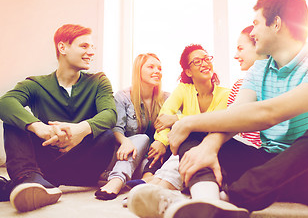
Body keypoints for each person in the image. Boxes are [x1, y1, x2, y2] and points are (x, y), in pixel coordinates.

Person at [126, 0, 308, 218]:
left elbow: (271, 113)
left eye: (255, 23)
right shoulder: (258, 70)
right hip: (270, 167)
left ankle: (231, 199)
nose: (253, 31)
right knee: (195, 133)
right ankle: (207, 203)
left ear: (276, 23)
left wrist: (187, 120)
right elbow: (236, 115)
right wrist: (208, 143)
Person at [0, 24, 117, 212]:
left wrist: (80, 130)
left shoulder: (98, 81)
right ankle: (30, 179)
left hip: (80, 167)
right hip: (44, 157)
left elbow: (110, 114)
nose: (91, 52)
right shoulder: (36, 84)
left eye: (92, 47)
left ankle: (27, 182)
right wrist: (39, 127)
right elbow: (4, 102)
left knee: (107, 135)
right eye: (84, 46)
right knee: (13, 120)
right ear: (62, 48)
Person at [127, 44, 230, 192]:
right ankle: (150, 177)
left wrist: (178, 119)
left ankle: (159, 183)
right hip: (184, 143)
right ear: (188, 71)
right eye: (197, 61)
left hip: (209, 145)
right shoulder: (183, 89)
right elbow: (163, 117)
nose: (205, 63)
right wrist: (161, 142)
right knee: (171, 139)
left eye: (206, 59)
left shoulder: (225, 94)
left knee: (186, 135)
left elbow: (215, 123)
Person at [94, 53, 170, 200]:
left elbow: (176, 126)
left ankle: (144, 180)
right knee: (142, 138)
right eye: (151, 67)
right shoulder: (123, 97)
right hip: (124, 155)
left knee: (160, 154)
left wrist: (162, 142)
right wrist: (126, 141)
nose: (157, 71)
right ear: (138, 70)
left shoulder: (167, 98)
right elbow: (116, 129)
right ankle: (116, 179)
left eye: (159, 68)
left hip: (148, 160)